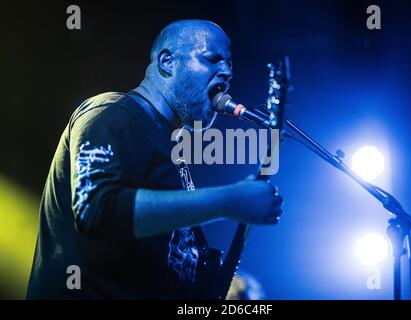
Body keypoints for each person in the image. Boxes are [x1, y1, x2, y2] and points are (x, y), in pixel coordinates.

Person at [26, 19, 283, 299]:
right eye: (213, 59)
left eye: (230, 65)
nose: (227, 72)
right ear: (168, 61)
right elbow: (98, 210)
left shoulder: (172, 152)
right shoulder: (113, 112)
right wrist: (229, 200)